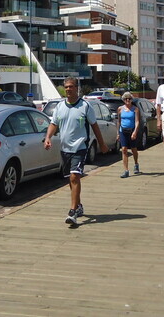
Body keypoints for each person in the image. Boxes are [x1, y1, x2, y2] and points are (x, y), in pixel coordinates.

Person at [45, 77, 109, 226]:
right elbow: (54, 124)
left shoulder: (85, 106)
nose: (68, 89)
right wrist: (48, 137)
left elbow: (94, 126)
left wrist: (102, 144)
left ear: (76, 88)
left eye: (71, 87)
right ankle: (79, 206)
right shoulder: (60, 106)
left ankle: (73, 211)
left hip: (80, 146)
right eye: (66, 87)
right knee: (71, 179)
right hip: (65, 147)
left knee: (74, 177)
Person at [116, 92, 141, 177]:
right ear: (123, 100)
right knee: (124, 149)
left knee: (133, 149)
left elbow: (137, 121)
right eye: (126, 99)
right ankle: (126, 170)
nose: (128, 100)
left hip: (132, 131)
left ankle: (136, 163)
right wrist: (118, 133)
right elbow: (118, 121)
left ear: (131, 99)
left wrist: (135, 132)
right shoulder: (120, 109)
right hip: (123, 131)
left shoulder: (135, 109)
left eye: (129, 99)